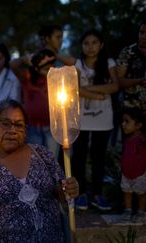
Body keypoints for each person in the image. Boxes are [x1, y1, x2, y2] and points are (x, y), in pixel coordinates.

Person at [0, 99, 79, 243]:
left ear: (25, 131)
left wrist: (69, 189)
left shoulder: (42, 155)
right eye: (5, 124)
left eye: (19, 125)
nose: (12, 130)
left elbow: (61, 194)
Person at [70, 29, 119, 211]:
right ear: (81, 46)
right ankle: (81, 194)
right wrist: (98, 93)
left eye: (94, 43)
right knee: (79, 156)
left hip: (103, 117)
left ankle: (97, 194)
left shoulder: (109, 63)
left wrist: (89, 89)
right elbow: (73, 88)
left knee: (99, 157)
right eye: (86, 43)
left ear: (101, 45)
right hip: (81, 116)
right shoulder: (77, 64)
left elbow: (114, 86)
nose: (90, 47)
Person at [10, 49, 59, 156]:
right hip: (33, 127)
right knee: (35, 163)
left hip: (52, 128)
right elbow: (13, 65)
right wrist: (29, 58)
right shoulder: (28, 77)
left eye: (50, 64)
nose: (48, 67)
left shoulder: (56, 78)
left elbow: (73, 64)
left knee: (51, 161)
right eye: (44, 64)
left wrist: (56, 56)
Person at [119, 108, 146, 223]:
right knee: (127, 191)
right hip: (126, 173)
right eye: (123, 121)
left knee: (141, 193)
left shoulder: (142, 140)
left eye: (127, 121)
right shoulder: (127, 139)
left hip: (140, 173)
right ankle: (128, 210)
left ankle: (141, 211)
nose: (123, 124)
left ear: (138, 125)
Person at [116, 19, 146, 110]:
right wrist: (140, 80)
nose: (144, 36)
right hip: (131, 108)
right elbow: (118, 81)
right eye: (142, 32)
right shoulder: (128, 52)